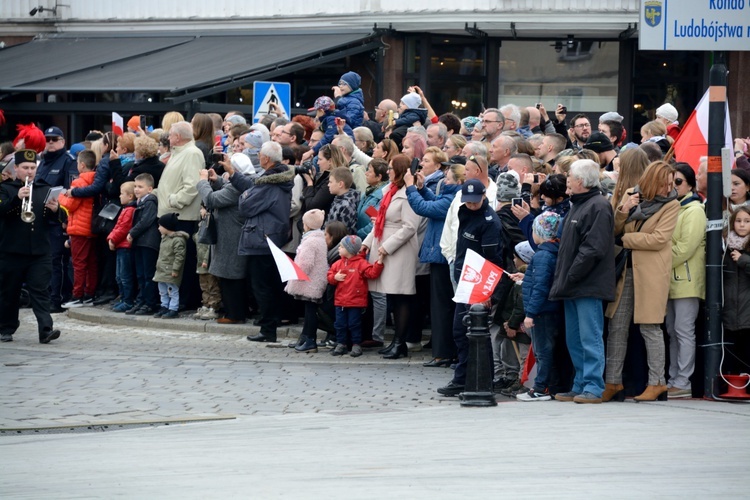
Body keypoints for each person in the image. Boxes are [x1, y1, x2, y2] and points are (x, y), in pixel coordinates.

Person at [605, 161, 680, 402]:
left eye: (671, 184)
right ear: (650, 180)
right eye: (663, 184)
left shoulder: (672, 204)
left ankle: (657, 382)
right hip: (626, 271)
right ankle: (613, 382)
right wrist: (623, 210)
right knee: (617, 326)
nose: (667, 189)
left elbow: (659, 239)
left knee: (650, 327)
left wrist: (625, 239)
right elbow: (613, 228)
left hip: (652, 273)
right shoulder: (630, 195)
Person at [549, 159, 616, 404]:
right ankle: (580, 384)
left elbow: (593, 249)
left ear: (581, 181)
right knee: (574, 339)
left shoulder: (597, 206)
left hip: (586, 284)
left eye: (571, 176)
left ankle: (593, 386)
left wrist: (571, 275)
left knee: (590, 337)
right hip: (573, 283)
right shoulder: (578, 204)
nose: (567, 179)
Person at [437, 179, 503, 397]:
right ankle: (465, 377)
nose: (472, 205)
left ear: (484, 196)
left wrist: (486, 293)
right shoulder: (463, 211)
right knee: (460, 331)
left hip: (478, 282)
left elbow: (492, 259)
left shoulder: (489, 222)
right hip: (464, 277)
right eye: (469, 201)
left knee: (474, 332)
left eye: (476, 201)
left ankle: (479, 379)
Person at [228, 141, 294, 343]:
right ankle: (269, 326)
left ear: (265, 158)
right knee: (270, 285)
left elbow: (246, 206)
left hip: (261, 239)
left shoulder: (270, 182)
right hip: (270, 237)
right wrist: (233, 174)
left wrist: (245, 195)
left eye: (260, 156)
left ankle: (268, 329)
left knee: (262, 286)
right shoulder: (276, 179)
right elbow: (253, 187)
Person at [404, 159, 463, 368]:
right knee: (441, 306)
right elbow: (434, 201)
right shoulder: (451, 196)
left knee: (441, 308)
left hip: (442, 257)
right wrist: (420, 188)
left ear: (458, 180)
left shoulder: (454, 198)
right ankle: (445, 352)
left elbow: (425, 208)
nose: (444, 180)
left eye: (447, 177)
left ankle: (443, 353)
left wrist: (410, 187)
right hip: (440, 256)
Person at [0, 149, 63, 344]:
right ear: (16, 168)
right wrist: (17, 198)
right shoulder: (6, 189)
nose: (29, 171)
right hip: (11, 250)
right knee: (9, 292)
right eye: (25, 168)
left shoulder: (44, 189)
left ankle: (46, 329)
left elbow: (59, 219)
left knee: (41, 291)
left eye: (33, 168)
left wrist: (56, 210)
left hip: (39, 251)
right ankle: (6, 328)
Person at [362, 154, 421, 359]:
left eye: (390, 168)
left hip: (398, 251)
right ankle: (397, 341)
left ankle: (400, 342)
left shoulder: (406, 195)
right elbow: (379, 222)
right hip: (384, 247)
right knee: (392, 297)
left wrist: (387, 246)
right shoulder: (389, 191)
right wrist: (366, 243)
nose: (387, 171)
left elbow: (410, 227)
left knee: (401, 296)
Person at [666, 163, 706, 399]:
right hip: (671, 278)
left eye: (678, 181)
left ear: (690, 183)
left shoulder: (694, 210)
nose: (673, 186)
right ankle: (674, 379)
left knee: (683, 331)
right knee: (673, 331)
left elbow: (685, 248)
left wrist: (660, 258)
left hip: (687, 280)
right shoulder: (675, 207)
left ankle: (683, 381)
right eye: (671, 181)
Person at [196, 156, 250, 325]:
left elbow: (212, 199)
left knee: (230, 277)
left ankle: (235, 314)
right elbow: (226, 189)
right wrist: (217, 180)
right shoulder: (239, 184)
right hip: (230, 236)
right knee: (229, 276)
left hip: (231, 238)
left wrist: (203, 182)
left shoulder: (237, 188)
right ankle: (235, 312)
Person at [516, 212, 562, 401]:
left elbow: (540, 287)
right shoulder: (551, 252)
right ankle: (546, 386)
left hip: (542, 312)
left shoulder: (543, 255)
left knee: (542, 351)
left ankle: (541, 388)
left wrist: (531, 314)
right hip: (547, 310)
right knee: (546, 350)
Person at [158, 121, 204, 310]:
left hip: (181, 215)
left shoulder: (191, 153)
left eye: (170, 135)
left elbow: (192, 185)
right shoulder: (180, 152)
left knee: (181, 262)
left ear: (178, 137)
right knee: (172, 260)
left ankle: (184, 300)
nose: (168, 138)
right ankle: (174, 300)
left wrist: (173, 200)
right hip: (173, 213)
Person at [38, 126, 76, 313]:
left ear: (62, 141)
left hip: (57, 219)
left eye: (55, 139)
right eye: (48, 139)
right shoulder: (42, 161)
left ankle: (57, 299)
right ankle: (44, 296)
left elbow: (71, 192)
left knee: (56, 261)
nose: (50, 142)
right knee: (42, 261)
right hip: (40, 220)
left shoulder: (68, 161)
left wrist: (61, 213)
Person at [327, 235, 385, 357]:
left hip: (355, 302)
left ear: (350, 250)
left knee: (355, 324)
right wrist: (334, 278)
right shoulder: (338, 264)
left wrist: (379, 263)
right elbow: (329, 276)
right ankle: (341, 343)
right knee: (340, 324)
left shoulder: (361, 263)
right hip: (340, 301)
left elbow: (372, 273)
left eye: (341, 247)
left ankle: (356, 344)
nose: (339, 249)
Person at [285, 209, 329, 353]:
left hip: (310, 281)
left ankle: (310, 339)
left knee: (310, 312)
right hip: (315, 280)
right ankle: (305, 337)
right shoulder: (319, 238)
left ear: (307, 225)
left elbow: (306, 264)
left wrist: (295, 270)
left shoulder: (310, 241)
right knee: (309, 310)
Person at [58, 150, 98, 308]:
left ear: (82, 165)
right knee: (91, 263)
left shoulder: (78, 182)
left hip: (79, 228)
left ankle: (77, 296)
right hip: (92, 227)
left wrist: (60, 196)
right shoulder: (96, 180)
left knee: (78, 264)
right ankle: (89, 294)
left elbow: (71, 204)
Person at [127, 173, 161, 315]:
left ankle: (150, 303)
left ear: (150, 189)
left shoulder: (150, 202)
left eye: (140, 187)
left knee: (148, 275)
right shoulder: (140, 202)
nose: (136, 189)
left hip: (148, 242)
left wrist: (132, 233)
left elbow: (146, 221)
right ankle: (142, 300)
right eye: (135, 186)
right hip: (141, 242)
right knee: (140, 274)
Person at [722, 206, 750, 375]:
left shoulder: (743, 253)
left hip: (747, 314)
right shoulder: (725, 248)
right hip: (729, 313)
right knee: (731, 354)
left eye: (747, 221)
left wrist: (743, 260)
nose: (742, 225)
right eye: (738, 221)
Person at [107, 181, 137, 312]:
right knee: (119, 276)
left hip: (125, 246)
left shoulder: (129, 210)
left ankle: (128, 300)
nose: (119, 196)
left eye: (122, 194)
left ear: (130, 196)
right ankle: (123, 298)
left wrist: (112, 239)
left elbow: (123, 228)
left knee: (125, 276)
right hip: (120, 245)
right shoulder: (126, 209)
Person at [153, 213, 189, 319]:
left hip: (170, 271)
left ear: (166, 227)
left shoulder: (177, 240)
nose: (158, 228)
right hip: (162, 270)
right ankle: (164, 306)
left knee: (172, 290)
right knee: (162, 290)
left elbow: (179, 257)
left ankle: (173, 308)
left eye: (160, 226)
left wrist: (175, 269)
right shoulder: (165, 238)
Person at [192, 209, 221, 321]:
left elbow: (210, 246)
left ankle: (214, 306)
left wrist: (206, 259)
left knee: (212, 285)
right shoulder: (202, 225)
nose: (201, 211)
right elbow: (197, 239)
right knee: (204, 286)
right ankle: (206, 304)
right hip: (200, 263)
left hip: (207, 262)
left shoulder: (211, 225)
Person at [356, 158, 388, 239]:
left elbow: (374, 223)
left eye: (369, 171)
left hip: (367, 240)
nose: (366, 173)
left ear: (379, 177)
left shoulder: (382, 196)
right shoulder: (369, 191)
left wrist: (358, 234)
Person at [327, 166, 361, 234]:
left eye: (330, 182)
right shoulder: (338, 199)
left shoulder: (347, 205)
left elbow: (341, 233)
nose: (328, 185)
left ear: (340, 184)